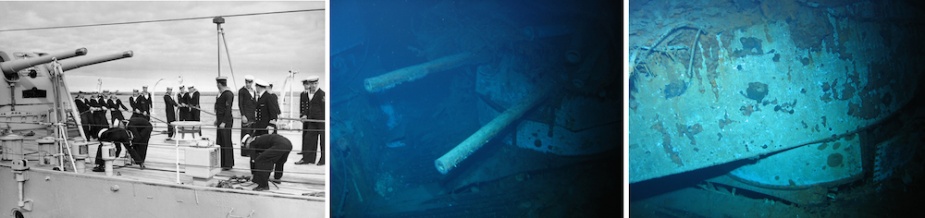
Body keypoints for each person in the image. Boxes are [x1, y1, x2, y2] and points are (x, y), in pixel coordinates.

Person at [296, 76, 325, 165]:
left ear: (317, 84)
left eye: (315, 83)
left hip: (321, 121)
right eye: (312, 83)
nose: (313, 85)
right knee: (309, 139)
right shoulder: (307, 94)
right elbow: (308, 107)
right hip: (312, 121)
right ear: (309, 84)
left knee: (323, 141)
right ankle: (308, 159)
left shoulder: (322, 94)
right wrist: (304, 115)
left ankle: (323, 160)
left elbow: (324, 108)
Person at [214, 76, 235, 170]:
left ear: (219, 84)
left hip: (225, 121)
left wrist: (224, 122)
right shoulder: (220, 94)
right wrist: (217, 120)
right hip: (220, 119)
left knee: (226, 141)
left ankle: (228, 163)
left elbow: (228, 109)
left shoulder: (228, 94)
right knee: (220, 141)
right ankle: (221, 162)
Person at [238, 75, 258, 157]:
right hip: (246, 114)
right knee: (245, 133)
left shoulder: (253, 91)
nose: (248, 84)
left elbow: (255, 103)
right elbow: (240, 104)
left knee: (251, 133)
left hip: (252, 115)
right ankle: (244, 151)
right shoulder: (242, 91)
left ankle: (250, 149)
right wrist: (243, 115)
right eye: (247, 82)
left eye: (250, 82)